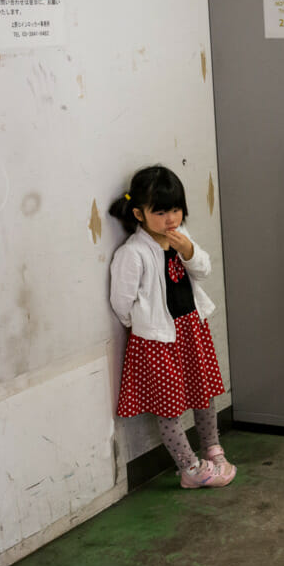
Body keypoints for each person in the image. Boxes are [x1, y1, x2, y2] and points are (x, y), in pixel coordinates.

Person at [108, 165, 235, 488]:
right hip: (158, 339)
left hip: (192, 328)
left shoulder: (182, 238)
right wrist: (144, 326)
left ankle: (212, 448)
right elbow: (121, 302)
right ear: (139, 213)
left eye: (176, 209)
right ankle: (189, 468)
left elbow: (203, 270)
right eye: (160, 211)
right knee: (170, 405)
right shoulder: (133, 253)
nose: (171, 219)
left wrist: (187, 250)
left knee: (203, 392)